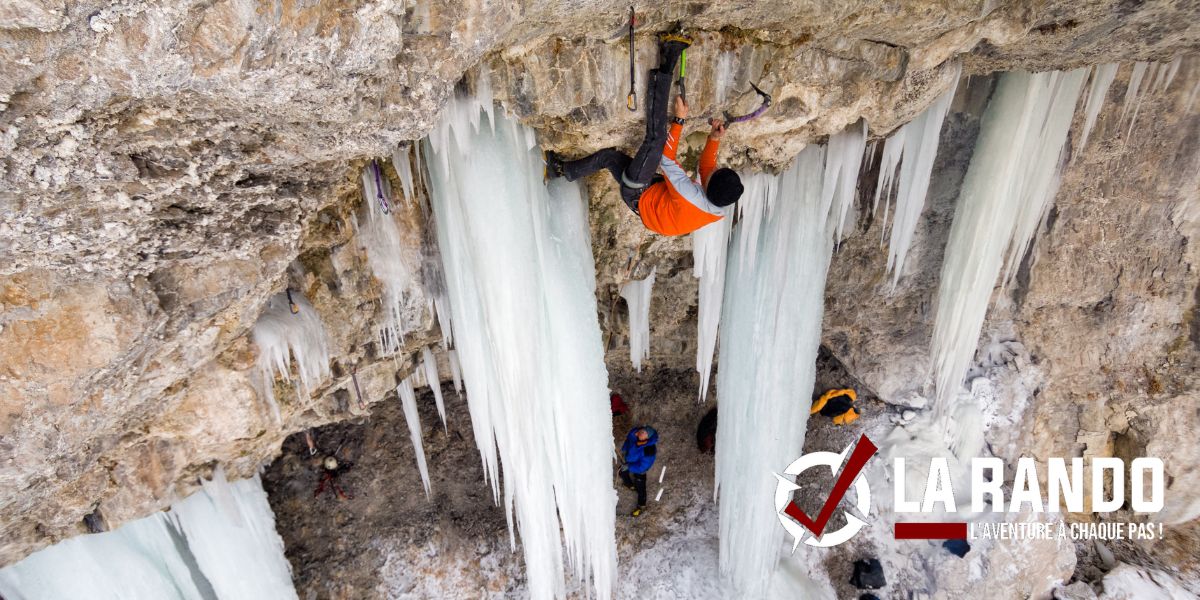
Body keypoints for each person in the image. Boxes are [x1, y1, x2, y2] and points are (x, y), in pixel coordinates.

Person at [545, 33, 743, 236]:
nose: (715, 167)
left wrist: (679, 120)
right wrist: (713, 140)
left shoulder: (690, 197)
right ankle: (561, 170)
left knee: (656, 140)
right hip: (651, 200)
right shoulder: (717, 203)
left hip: (639, 192)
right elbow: (707, 169)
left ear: (710, 186)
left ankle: (668, 61)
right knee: (608, 157)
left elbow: (667, 159)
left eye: (716, 171)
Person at [620, 425, 658, 517]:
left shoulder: (649, 450)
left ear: (647, 438)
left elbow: (642, 467)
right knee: (622, 471)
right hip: (628, 459)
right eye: (643, 430)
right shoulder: (634, 434)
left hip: (640, 468)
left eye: (645, 433)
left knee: (640, 484)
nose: (642, 433)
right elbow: (629, 441)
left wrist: (629, 466)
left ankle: (641, 506)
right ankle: (628, 483)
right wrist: (625, 449)